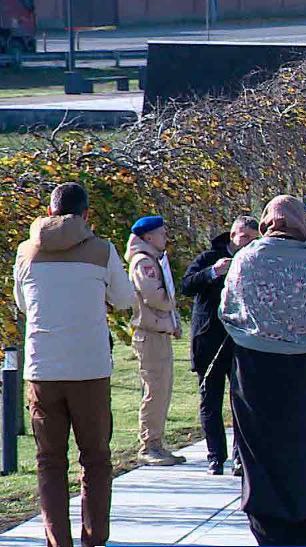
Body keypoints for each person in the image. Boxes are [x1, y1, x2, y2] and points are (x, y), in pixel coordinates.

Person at [218, 195, 306, 546]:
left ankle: (268, 535)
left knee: (260, 456)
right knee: (302, 457)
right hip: (299, 372)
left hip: (255, 373)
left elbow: (227, 312)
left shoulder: (246, 259)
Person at [13, 183, 132, 547]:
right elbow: (125, 298)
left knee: (50, 460)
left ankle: (57, 540)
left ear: (49, 212)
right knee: (95, 458)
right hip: (89, 367)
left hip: (42, 369)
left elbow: (21, 303)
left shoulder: (26, 251)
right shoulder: (102, 250)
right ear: (86, 215)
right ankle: (93, 538)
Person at [181, 216, 260, 476]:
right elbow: (187, 286)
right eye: (243, 237)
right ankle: (216, 456)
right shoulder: (209, 257)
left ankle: (241, 457)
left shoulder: (256, 262)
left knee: (243, 399)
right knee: (210, 399)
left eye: (252, 238)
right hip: (209, 338)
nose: (247, 243)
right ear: (232, 235)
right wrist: (213, 272)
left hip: (240, 339)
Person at [125, 215, 185, 466]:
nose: (165, 237)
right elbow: (155, 297)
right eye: (161, 233)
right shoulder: (143, 262)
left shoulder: (155, 259)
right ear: (148, 236)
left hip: (159, 332)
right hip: (149, 333)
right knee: (154, 390)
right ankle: (149, 445)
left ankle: (157, 442)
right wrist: (171, 302)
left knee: (163, 390)